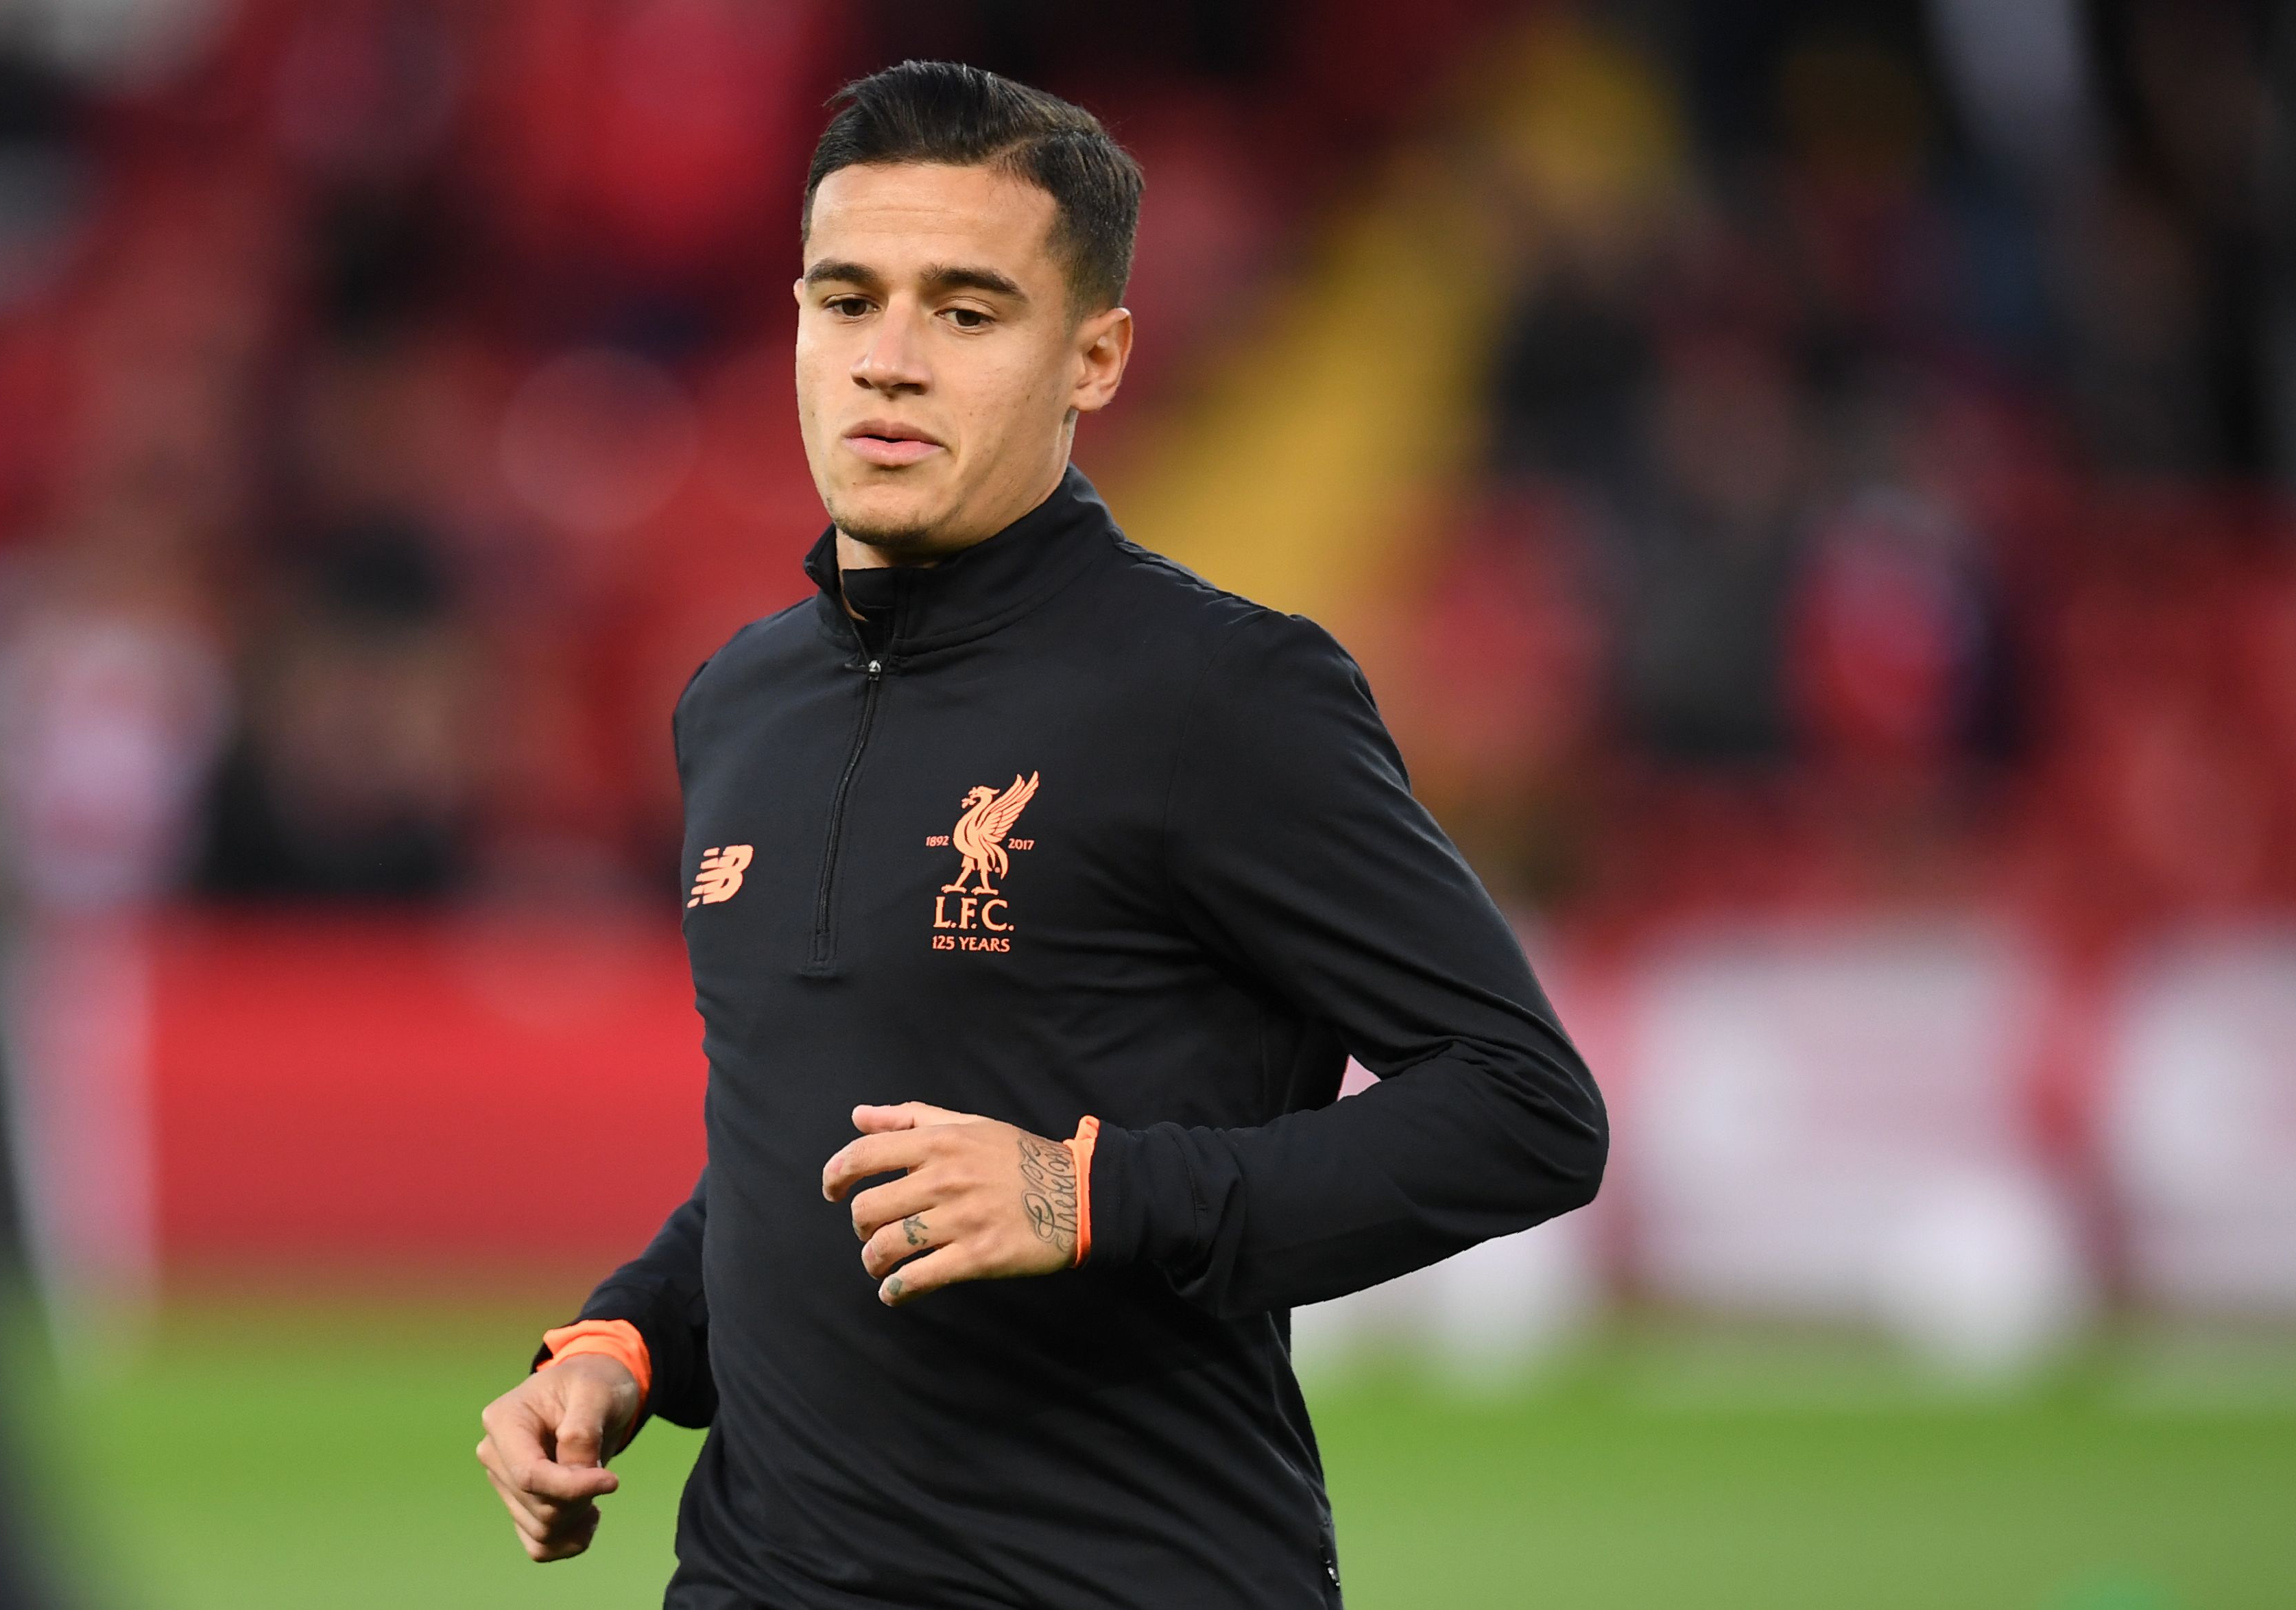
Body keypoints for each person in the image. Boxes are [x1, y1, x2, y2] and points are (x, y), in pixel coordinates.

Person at [476, 60, 1605, 1609]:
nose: (886, 362)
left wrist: (1093, 1196)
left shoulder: (1224, 692)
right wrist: (625, 1340)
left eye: (965, 311)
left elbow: (1525, 1109)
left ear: (1096, 357)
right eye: (846, 298)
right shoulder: (736, 705)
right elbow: (800, 1146)